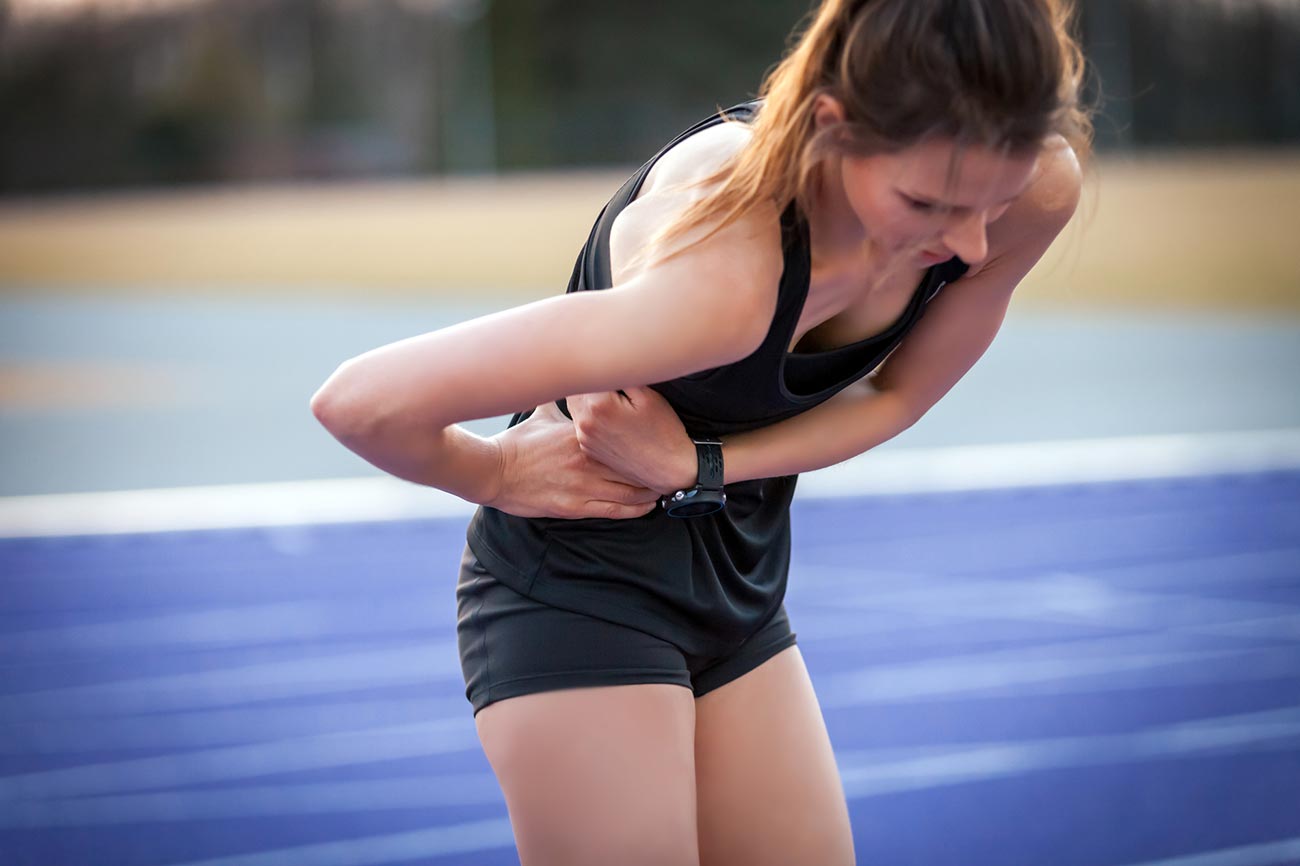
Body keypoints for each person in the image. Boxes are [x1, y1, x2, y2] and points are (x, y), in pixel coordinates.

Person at [311, 0, 1094, 863]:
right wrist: (496, 472)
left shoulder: (1034, 194)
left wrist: (702, 465)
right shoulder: (729, 272)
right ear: (832, 127)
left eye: (998, 198)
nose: (973, 246)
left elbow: (896, 397)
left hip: (741, 591)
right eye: (930, 202)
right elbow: (364, 401)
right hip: (579, 592)